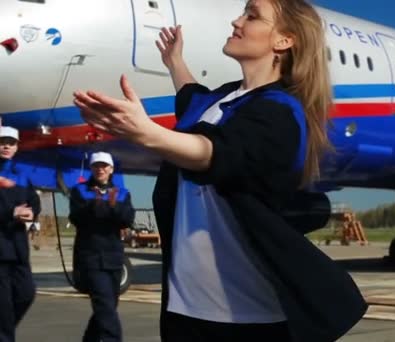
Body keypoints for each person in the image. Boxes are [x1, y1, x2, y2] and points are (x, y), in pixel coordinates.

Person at [73, 0, 367, 341]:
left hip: (246, 316)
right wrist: (174, 61)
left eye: (252, 16)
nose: (237, 21)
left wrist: (147, 133)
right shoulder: (222, 99)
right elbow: (191, 97)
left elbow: (214, 153)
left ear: (283, 41)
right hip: (186, 308)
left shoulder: (282, 111)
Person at [69, 151, 135, 342]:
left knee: (108, 307)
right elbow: (78, 217)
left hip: (114, 259)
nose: (101, 169)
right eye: (96, 166)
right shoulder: (80, 191)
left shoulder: (122, 193)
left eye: (104, 166)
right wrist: (100, 206)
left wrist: (109, 207)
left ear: (111, 169)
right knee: (106, 310)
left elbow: (127, 219)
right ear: (91, 168)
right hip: (91, 258)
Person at [0, 126, 41, 342]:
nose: (6, 146)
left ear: (16, 147)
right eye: (2, 141)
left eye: (11, 142)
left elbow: (34, 201)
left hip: (17, 248)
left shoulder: (21, 175)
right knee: (4, 309)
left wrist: (31, 213)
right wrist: (10, 212)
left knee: (26, 294)